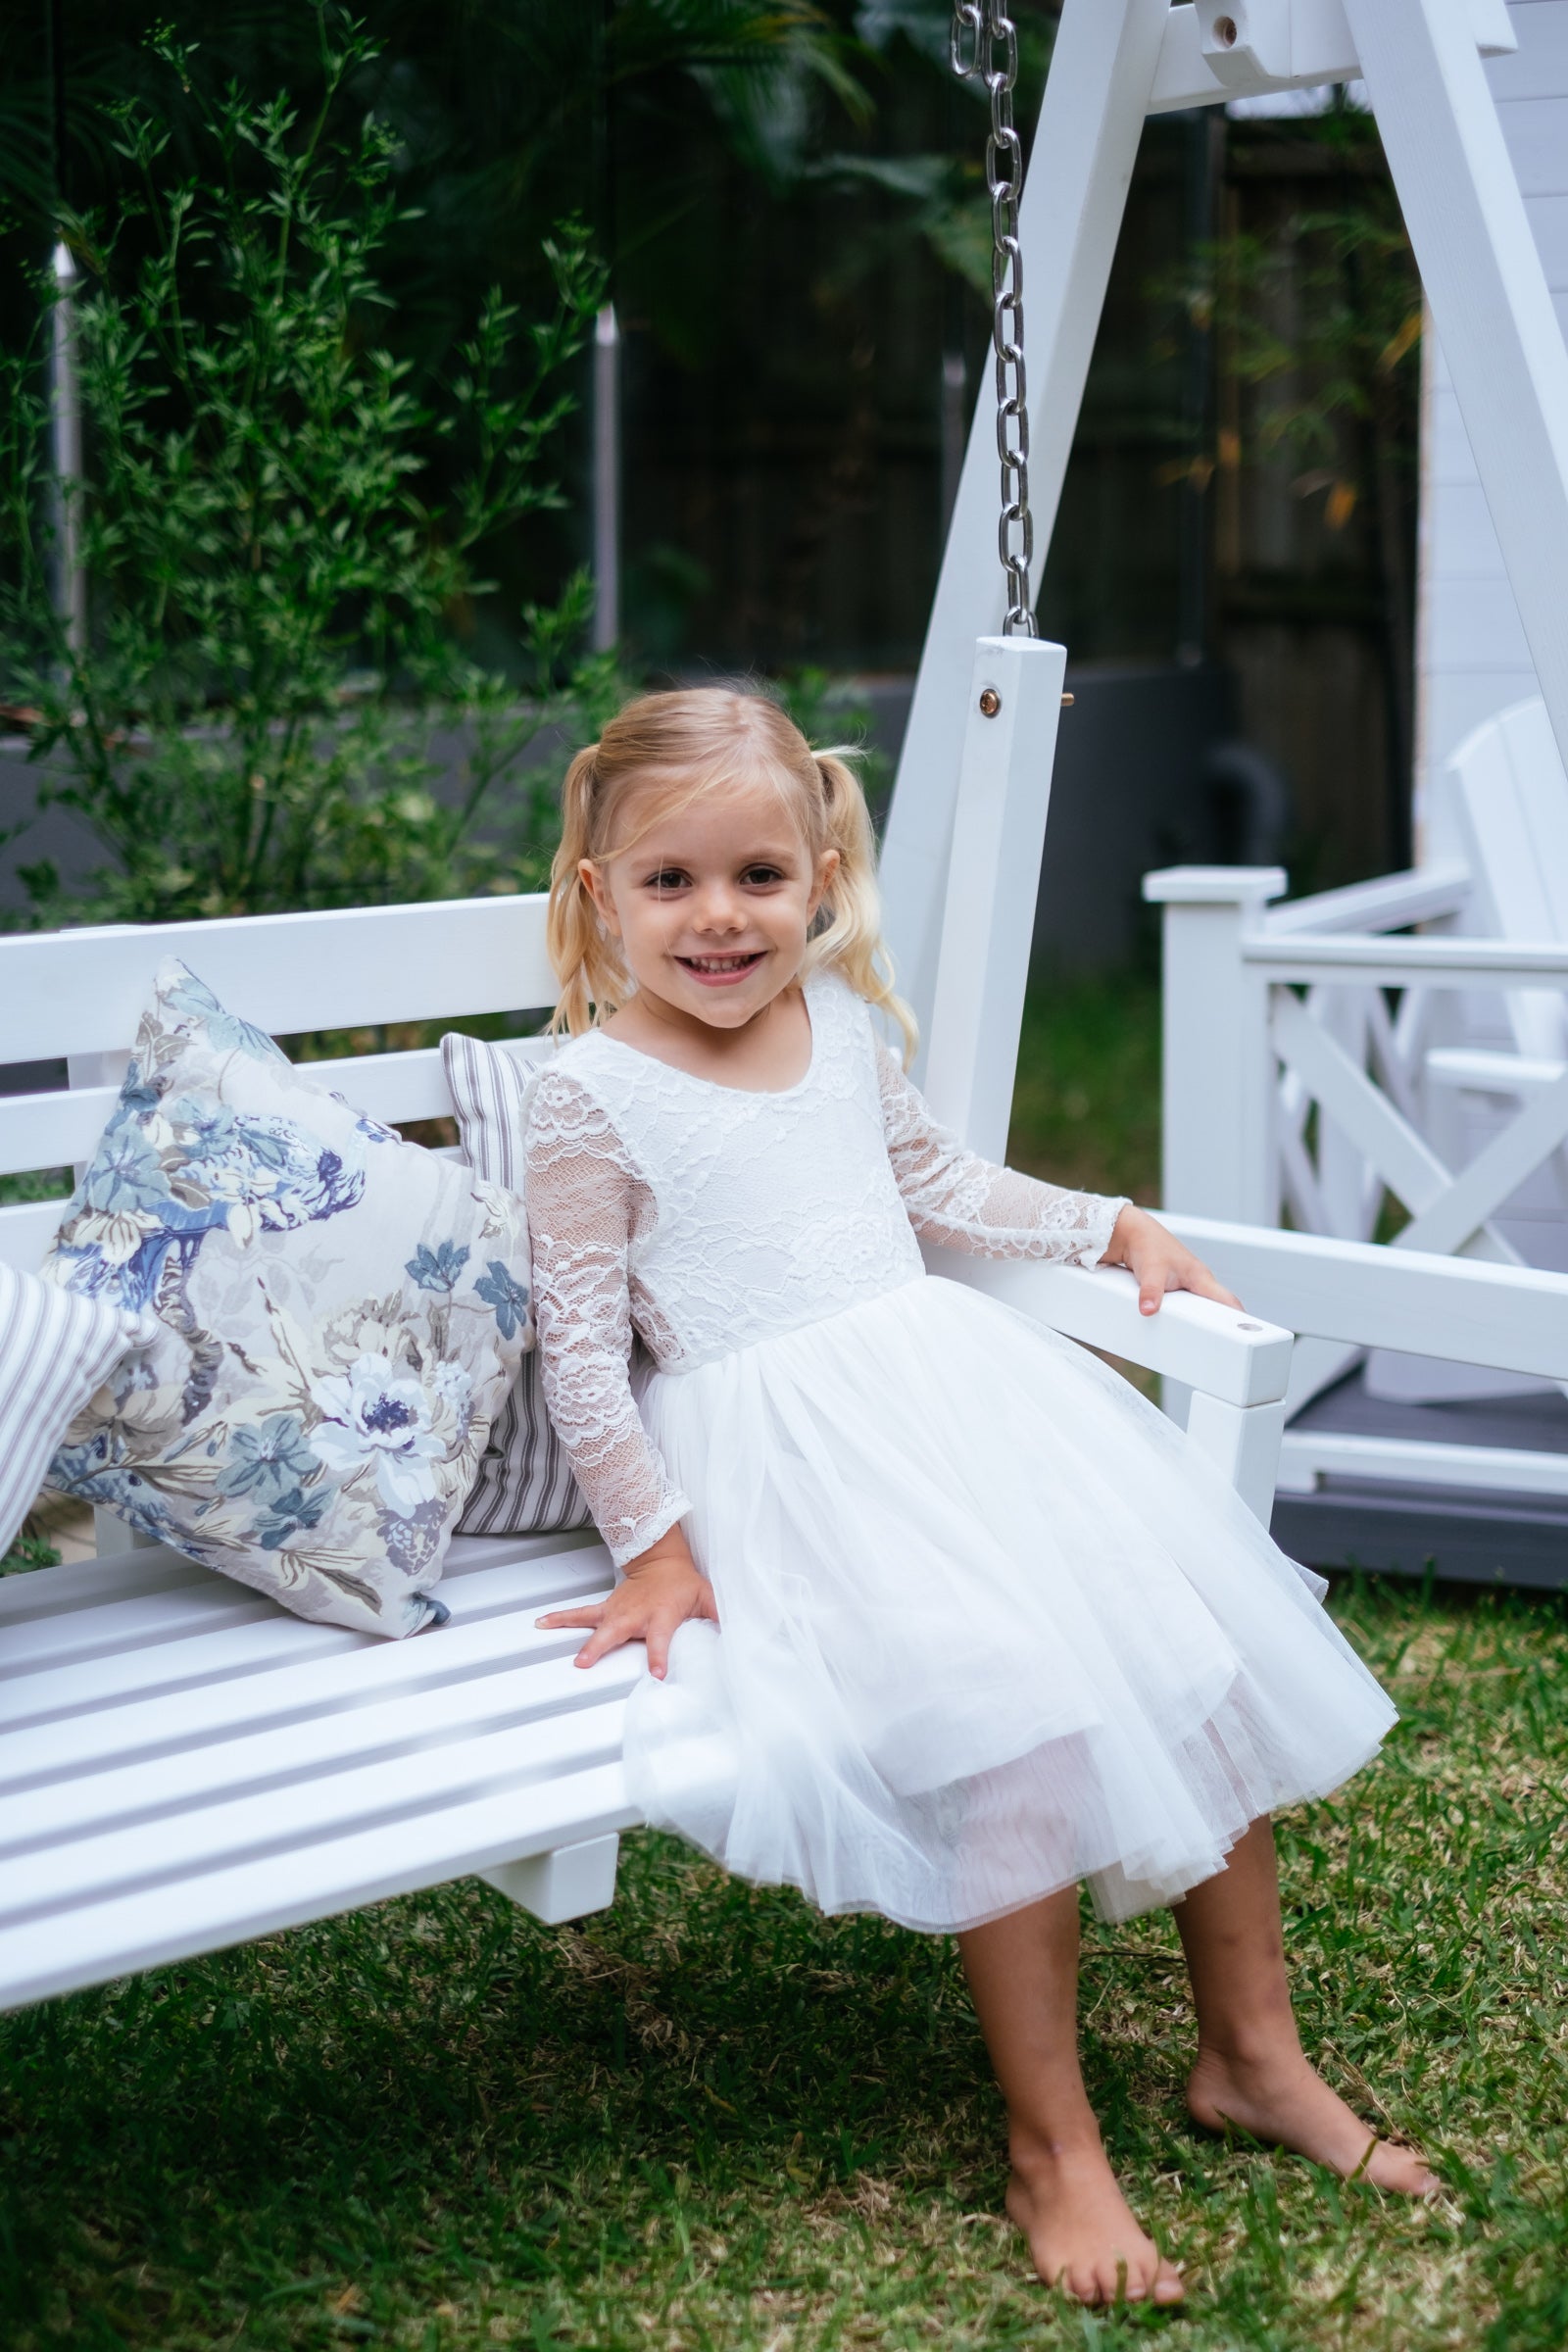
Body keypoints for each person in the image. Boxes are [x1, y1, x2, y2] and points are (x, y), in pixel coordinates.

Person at [523, 688, 1432, 2308]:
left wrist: (1107, 1224)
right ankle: (1054, 2149)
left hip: (947, 1407)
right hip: (787, 1468)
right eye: (670, 884)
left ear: (819, 874)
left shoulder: (844, 1034)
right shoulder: (594, 1095)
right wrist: (656, 1550)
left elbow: (935, 1183)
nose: (719, 920)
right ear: (601, 895)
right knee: (1016, 1718)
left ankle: (1254, 2057)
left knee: (1179, 1650)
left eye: (757, 878)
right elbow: (583, 1355)